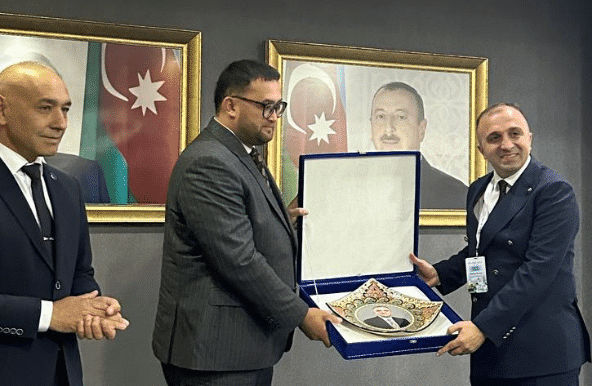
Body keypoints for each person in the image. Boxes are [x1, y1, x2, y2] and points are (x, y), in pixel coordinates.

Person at [152, 60, 341, 386]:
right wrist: (301, 314)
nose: (274, 116)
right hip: (214, 355)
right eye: (266, 106)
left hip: (240, 348)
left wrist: (281, 220)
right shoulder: (210, 162)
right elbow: (238, 259)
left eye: (278, 107)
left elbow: (240, 226)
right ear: (231, 106)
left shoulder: (242, 154)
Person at [410, 103, 590, 386]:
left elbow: (538, 271)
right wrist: (440, 274)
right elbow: (481, 252)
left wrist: (483, 327)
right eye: (494, 138)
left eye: (514, 134)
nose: (506, 145)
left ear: (529, 138)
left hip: (541, 354)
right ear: (481, 149)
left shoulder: (553, 191)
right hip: (491, 353)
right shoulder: (478, 189)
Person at [0, 61, 129, 386]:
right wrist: (50, 315)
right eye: (45, 108)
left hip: (63, 373)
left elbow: (79, 273)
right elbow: (55, 310)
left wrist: (93, 306)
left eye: (66, 109)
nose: (61, 123)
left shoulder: (67, 187)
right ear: (2, 110)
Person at [370, 82, 467, 209]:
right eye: (380, 116)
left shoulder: (456, 194)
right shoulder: (352, 187)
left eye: (400, 117)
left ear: (421, 129)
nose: (388, 129)